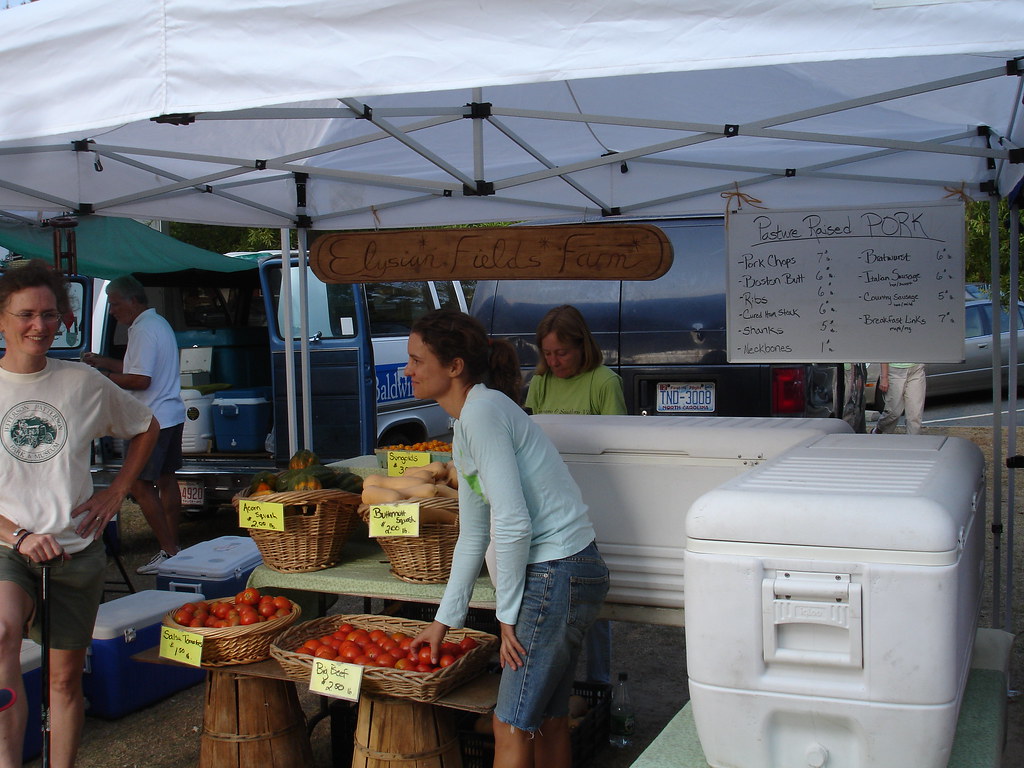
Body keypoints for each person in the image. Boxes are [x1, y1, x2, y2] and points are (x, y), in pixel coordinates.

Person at [406, 309, 609, 768]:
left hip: (557, 572)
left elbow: (514, 521)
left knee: (509, 723)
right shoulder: (466, 423)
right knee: (548, 720)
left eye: (418, 360)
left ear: (454, 366)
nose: (408, 370)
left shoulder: (481, 412)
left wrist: (507, 614)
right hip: (571, 569)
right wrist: (446, 619)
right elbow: (474, 532)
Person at [0, 260, 158, 768]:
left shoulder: (82, 381)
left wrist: (116, 493)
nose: (39, 326)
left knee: (65, 679)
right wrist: (19, 535)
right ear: (2, 318)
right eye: (26, 314)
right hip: (8, 546)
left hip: (75, 549)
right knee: (2, 635)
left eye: (50, 314)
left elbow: (145, 426)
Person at [524, 304, 624, 686]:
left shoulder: (604, 382)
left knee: (593, 594)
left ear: (582, 346)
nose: (554, 360)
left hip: (595, 497)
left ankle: (598, 680)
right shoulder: (541, 382)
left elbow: (619, 446)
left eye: (561, 353)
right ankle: (556, 677)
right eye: (547, 354)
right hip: (551, 500)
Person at [83, 275, 185, 573]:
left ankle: (168, 550)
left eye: (115, 304)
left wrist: (101, 380)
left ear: (133, 300)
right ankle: (174, 546)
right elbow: (136, 368)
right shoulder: (159, 324)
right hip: (170, 415)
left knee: (140, 485)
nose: (112, 311)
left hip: (150, 420)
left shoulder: (142, 330)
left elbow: (140, 380)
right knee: (166, 480)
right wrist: (102, 361)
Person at [873, 362, 926, 435]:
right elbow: (884, 351)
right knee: (894, 412)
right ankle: (879, 430)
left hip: (916, 369)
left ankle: (913, 442)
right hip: (895, 370)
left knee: (915, 414)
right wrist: (884, 377)